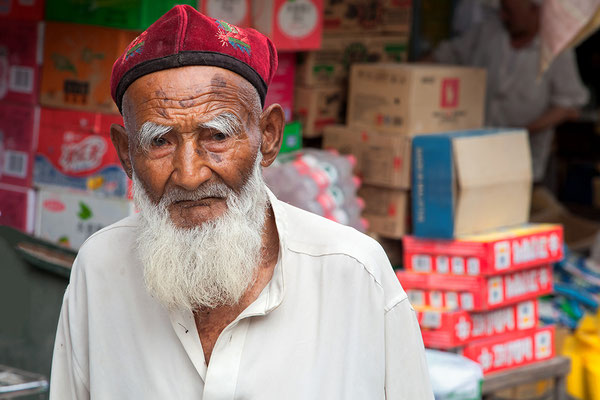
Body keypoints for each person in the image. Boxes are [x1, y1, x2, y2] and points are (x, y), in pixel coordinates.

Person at [49, 5, 433, 399]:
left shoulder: (355, 276)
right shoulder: (99, 270)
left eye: (217, 136)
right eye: (159, 141)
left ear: (267, 136)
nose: (189, 173)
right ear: (128, 154)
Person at [431, 0, 588, 183]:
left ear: (534, 10)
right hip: (475, 154)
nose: (502, 16)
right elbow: (445, 55)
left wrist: (524, 131)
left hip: (524, 162)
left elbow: (568, 107)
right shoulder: (488, 32)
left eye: (509, 11)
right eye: (502, 9)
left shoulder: (557, 48)